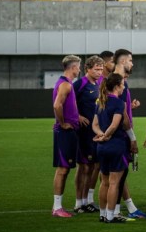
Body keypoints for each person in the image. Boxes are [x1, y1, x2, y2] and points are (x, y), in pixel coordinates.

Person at [110, 49, 146, 220]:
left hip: (115, 133)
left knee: (119, 173)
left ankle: (122, 209)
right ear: (123, 61)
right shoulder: (119, 84)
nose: (132, 64)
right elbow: (121, 114)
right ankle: (115, 212)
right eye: (131, 61)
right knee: (116, 175)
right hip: (120, 135)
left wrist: (129, 108)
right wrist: (132, 137)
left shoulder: (117, 82)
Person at [93, 73, 130, 223]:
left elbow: (94, 125)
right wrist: (107, 135)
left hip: (101, 147)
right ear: (116, 86)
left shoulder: (100, 102)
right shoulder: (119, 103)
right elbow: (115, 125)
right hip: (116, 145)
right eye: (122, 85)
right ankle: (111, 215)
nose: (123, 87)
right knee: (114, 182)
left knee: (104, 181)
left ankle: (102, 214)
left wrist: (101, 135)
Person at [52, 54, 83, 218]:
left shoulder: (66, 83)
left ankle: (58, 206)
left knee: (65, 169)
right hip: (65, 132)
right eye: (78, 66)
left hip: (69, 130)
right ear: (73, 67)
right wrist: (63, 123)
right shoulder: (65, 85)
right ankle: (57, 207)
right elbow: (57, 105)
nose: (79, 69)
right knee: (63, 169)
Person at [72, 55, 103, 213]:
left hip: (95, 131)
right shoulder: (80, 84)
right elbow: (66, 101)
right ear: (88, 69)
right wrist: (76, 115)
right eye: (96, 69)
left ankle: (87, 201)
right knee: (83, 166)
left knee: (93, 166)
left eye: (101, 69)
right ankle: (79, 203)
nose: (99, 72)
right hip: (83, 133)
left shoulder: (98, 84)